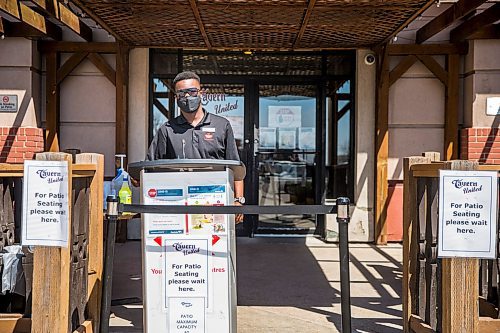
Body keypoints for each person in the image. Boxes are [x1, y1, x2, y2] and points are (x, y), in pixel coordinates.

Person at [146, 71, 245, 222]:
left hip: (215, 201)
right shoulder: (167, 129)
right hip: (178, 204)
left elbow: (235, 167)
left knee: (214, 245)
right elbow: (151, 167)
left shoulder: (221, 125)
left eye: (192, 91)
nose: (187, 97)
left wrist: (238, 200)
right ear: (176, 97)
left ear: (201, 93)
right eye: (182, 93)